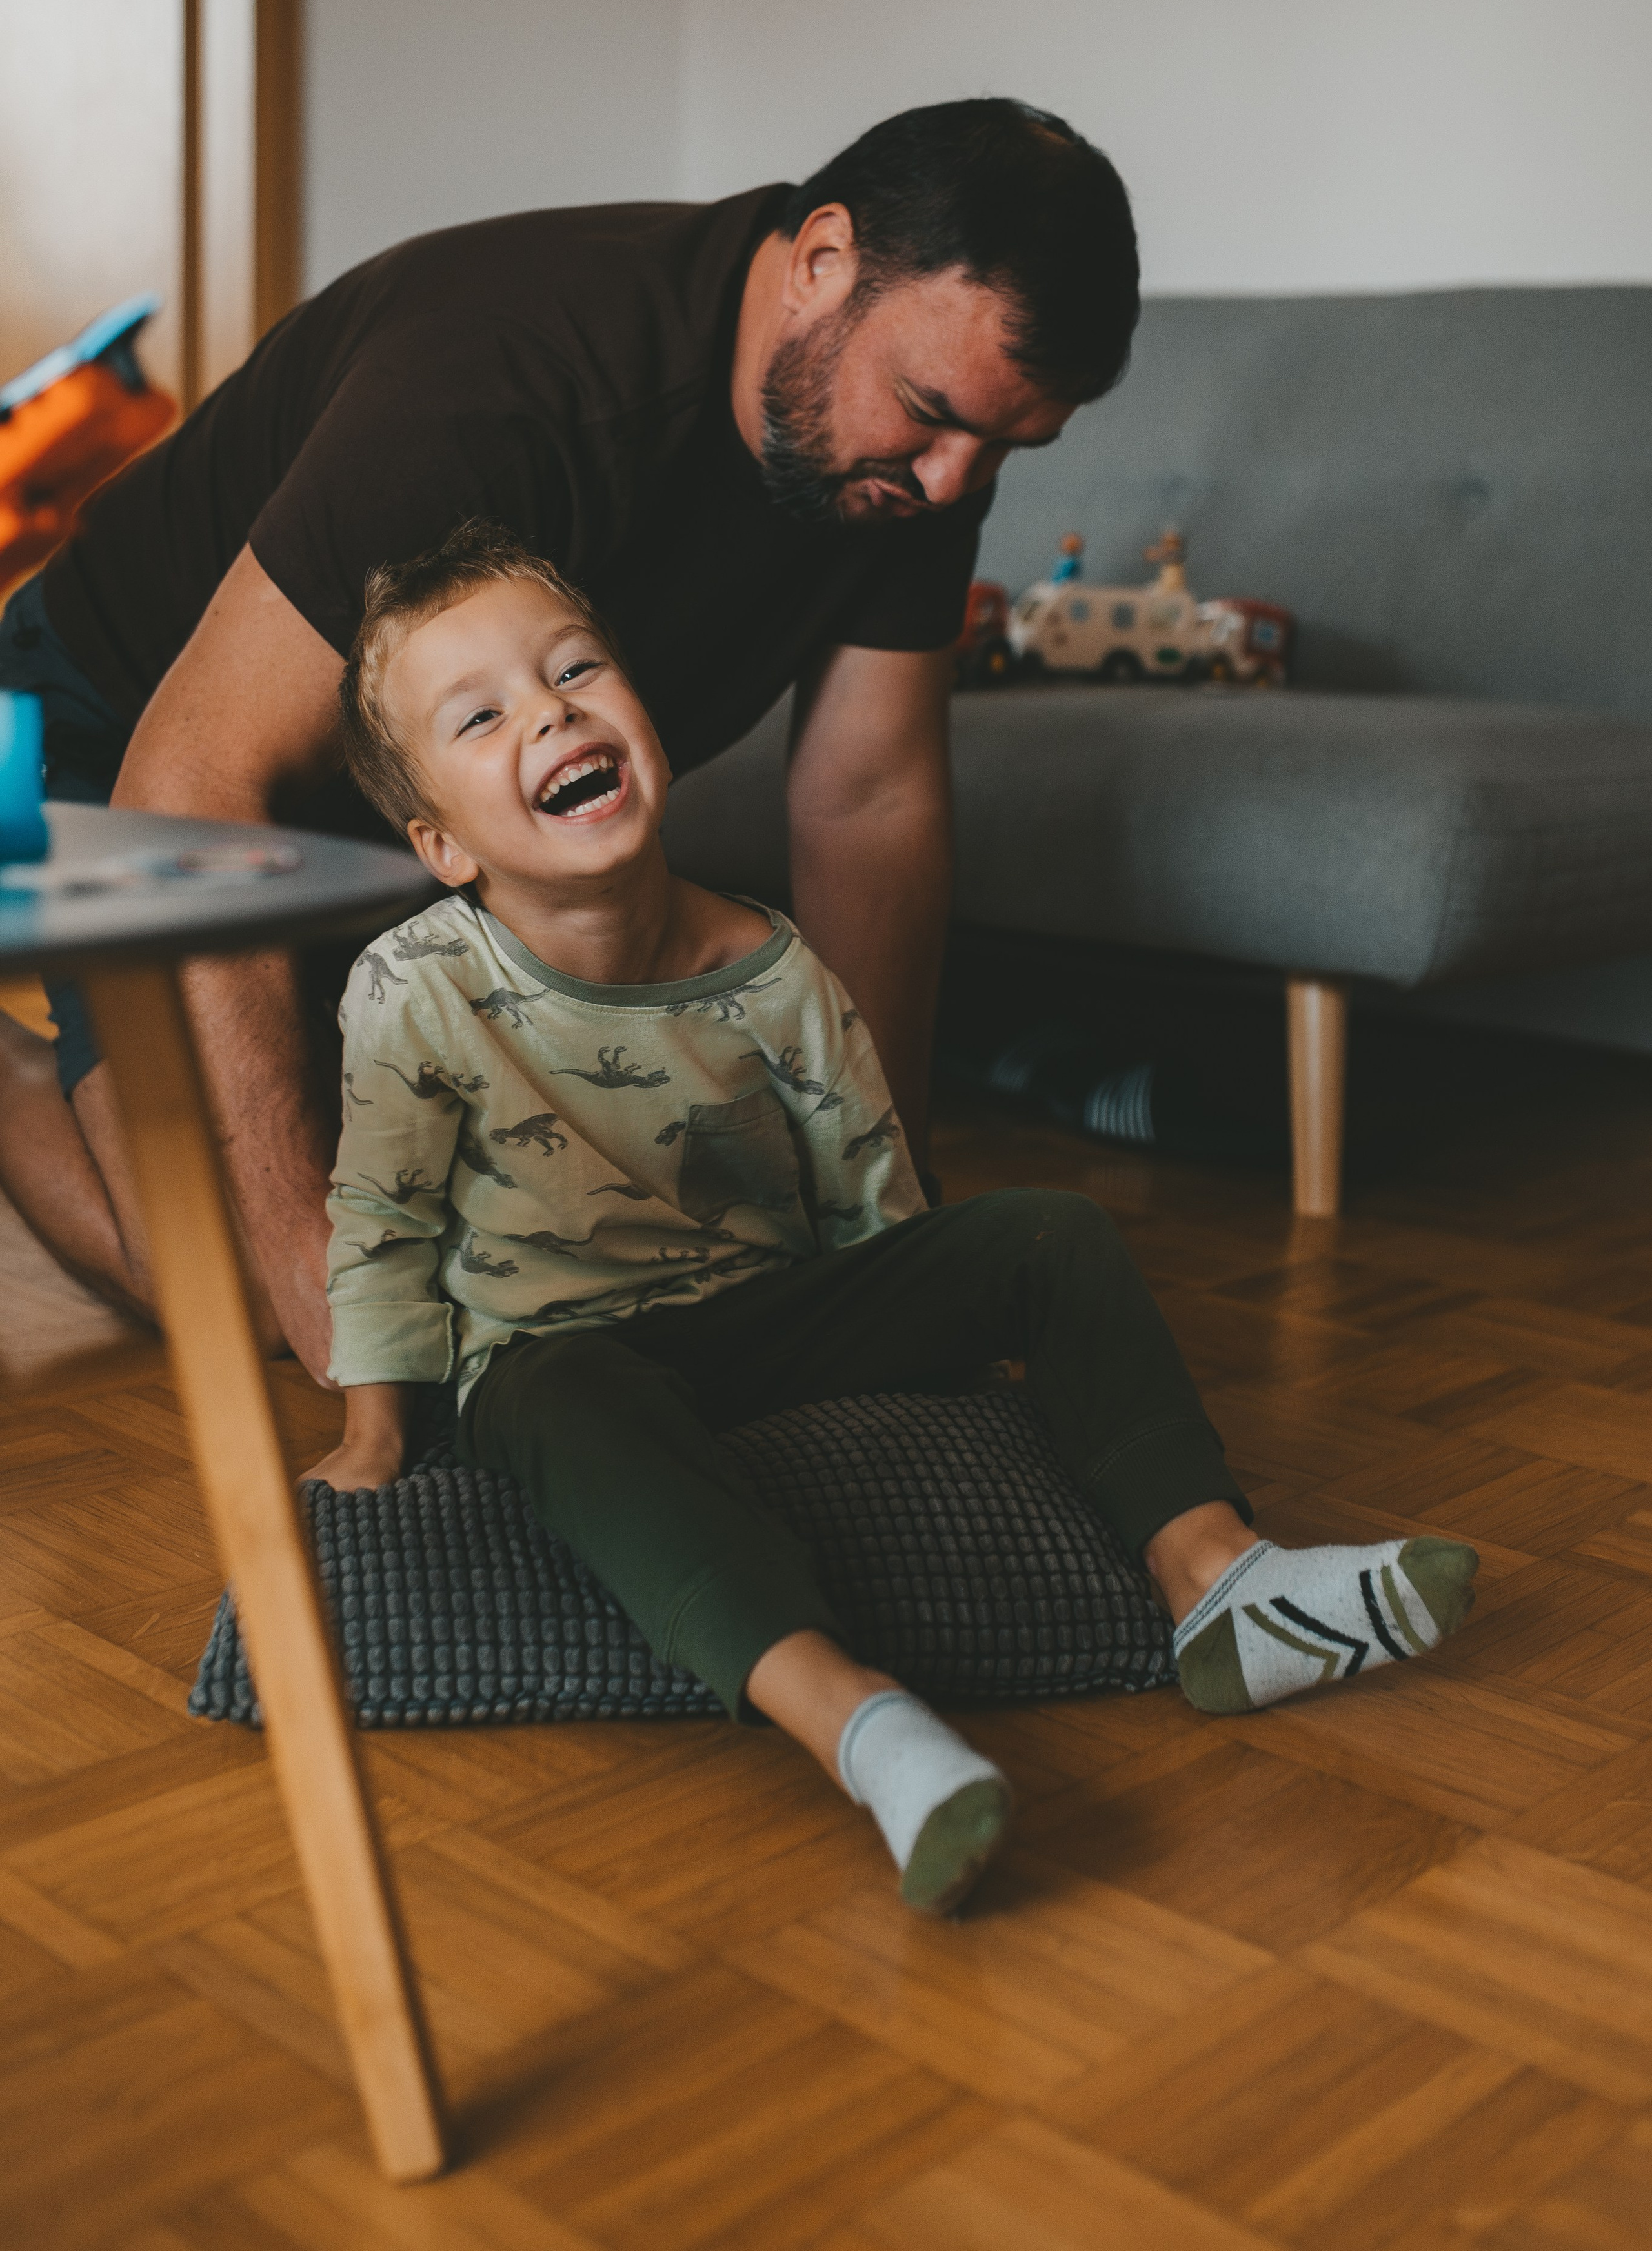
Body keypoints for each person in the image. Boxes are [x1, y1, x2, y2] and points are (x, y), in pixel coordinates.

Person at [310, 523, 1480, 1916]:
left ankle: (1217, 1580)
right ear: (438, 842)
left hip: (762, 1322)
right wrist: (378, 1435)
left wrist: (938, 1378)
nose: (551, 711)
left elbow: (876, 1211)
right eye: (483, 712)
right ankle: (861, 1723)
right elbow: (380, 1221)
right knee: (561, 1393)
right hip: (557, 1359)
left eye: (575, 670)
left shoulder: (778, 972)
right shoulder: (411, 989)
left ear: (643, 717)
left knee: (1051, 1227)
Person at [0, 98, 1140, 1377]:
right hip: (127, 733)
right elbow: (197, 774)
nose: (950, 486)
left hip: (411, 818)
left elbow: (866, 801)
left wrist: (886, 1222)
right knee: (246, 1284)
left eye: (1004, 448)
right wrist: (334, 1316)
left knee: (543, 1242)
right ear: (821, 261)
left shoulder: (912, 473)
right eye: (928, 411)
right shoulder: (506, 379)